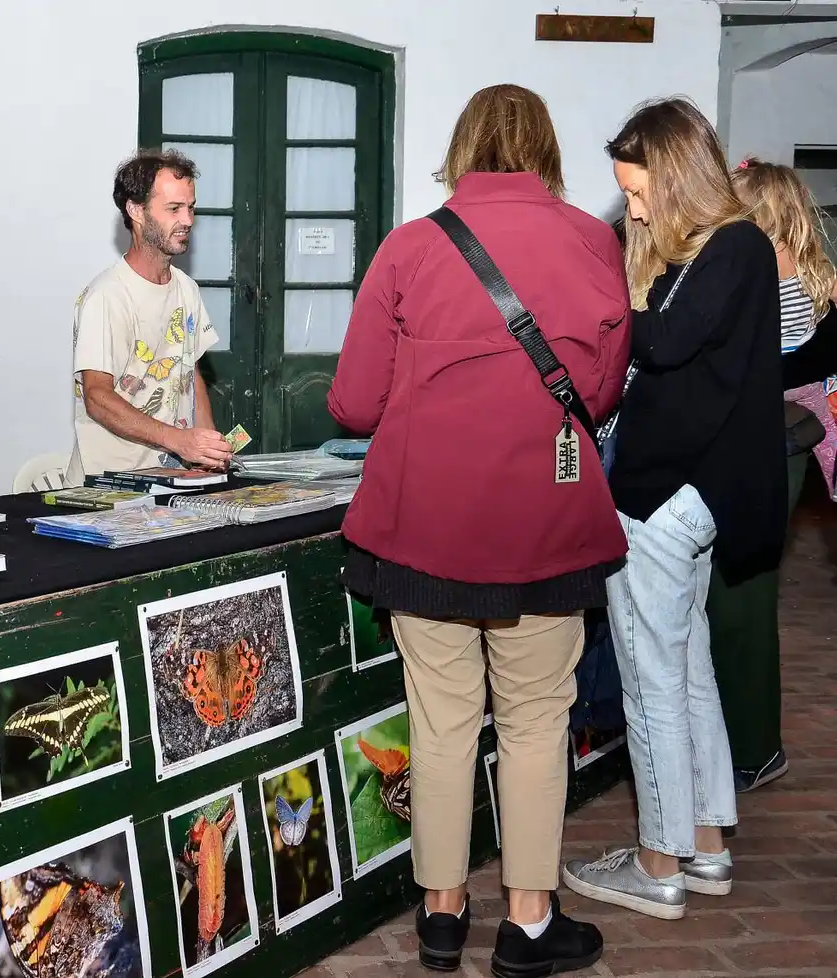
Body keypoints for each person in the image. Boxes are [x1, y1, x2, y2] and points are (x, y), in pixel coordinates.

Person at [328, 84, 629, 976]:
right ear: (545, 150)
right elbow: (601, 393)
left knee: (441, 722)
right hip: (546, 525)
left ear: (462, 150)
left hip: (423, 529)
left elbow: (354, 405)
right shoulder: (593, 241)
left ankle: (442, 912)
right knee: (535, 722)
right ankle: (529, 922)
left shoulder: (411, 246)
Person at [564, 98, 785, 921]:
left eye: (640, 192)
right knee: (688, 672)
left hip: (665, 498)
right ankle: (707, 841)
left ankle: (658, 864)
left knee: (652, 683)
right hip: (694, 495)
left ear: (676, 174)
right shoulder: (726, 249)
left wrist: (595, 301)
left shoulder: (732, 246)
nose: (635, 209)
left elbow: (660, 343)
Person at [706, 158, 837, 793]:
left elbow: (756, 369)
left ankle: (754, 749)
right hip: (773, 449)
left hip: (771, 450)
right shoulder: (801, 279)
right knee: (739, 596)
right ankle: (744, 744)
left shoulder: (780, 290)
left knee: (740, 599)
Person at [64, 149, 231, 485]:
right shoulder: (106, 295)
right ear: (136, 210)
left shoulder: (186, 288)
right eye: (174, 208)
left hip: (170, 480)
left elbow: (191, 373)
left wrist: (209, 451)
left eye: (191, 207)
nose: (188, 220)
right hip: (109, 489)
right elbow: (97, 397)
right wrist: (178, 440)